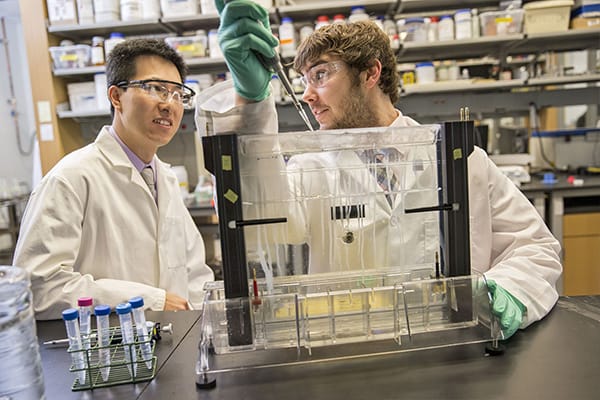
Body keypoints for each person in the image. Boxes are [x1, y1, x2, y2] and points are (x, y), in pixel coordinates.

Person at [195, 0, 562, 340]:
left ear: (370, 73)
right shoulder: (313, 165)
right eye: (305, 80)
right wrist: (252, 102)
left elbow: (536, 248)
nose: (308, 94)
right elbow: (263, 220)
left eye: (320, 74)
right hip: (346, 348)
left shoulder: (460, 160)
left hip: (446, 350)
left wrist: (506, 291)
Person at [14, 38, 214, 320]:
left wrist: (195, 325)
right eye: (156, 89)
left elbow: (193, 273)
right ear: (116, 96)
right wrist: (149, 300)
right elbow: (40, 288)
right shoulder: (71, 179)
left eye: (178, 93)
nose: (169, 104)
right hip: (102, 355)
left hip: (172, 346)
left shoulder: (165, 179)